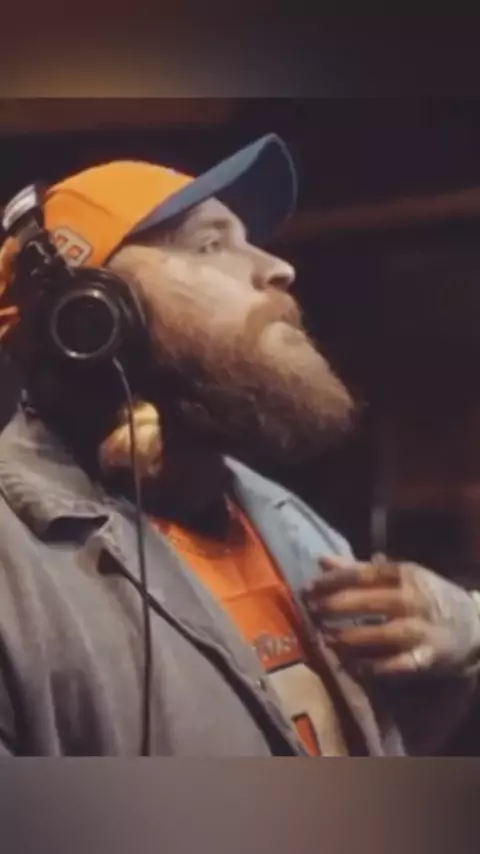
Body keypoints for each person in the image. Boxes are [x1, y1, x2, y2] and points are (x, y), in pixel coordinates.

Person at [0, 133, 478, 757]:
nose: (277, 267)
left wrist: (458, 649)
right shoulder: (14, 576)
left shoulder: (287, 521)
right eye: (211, 244)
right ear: (91, 318)